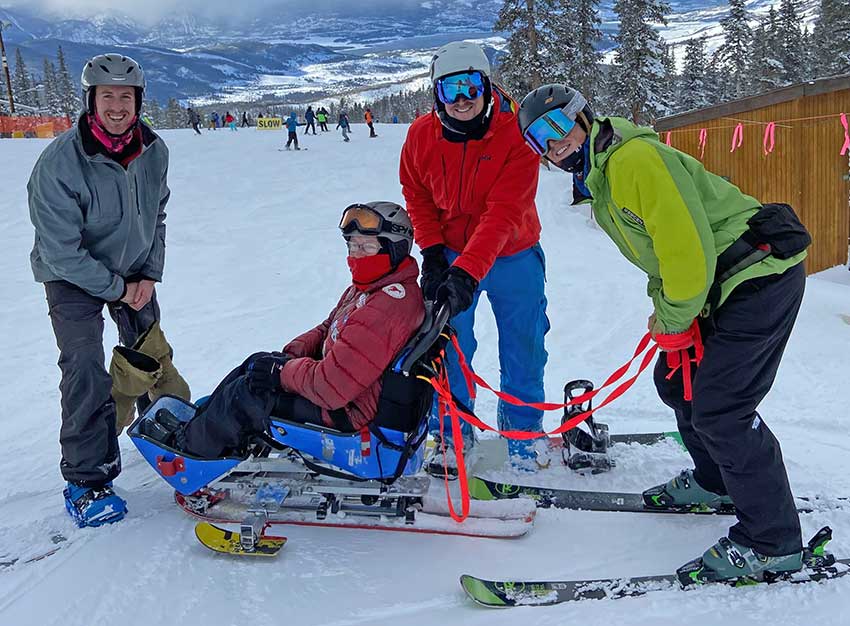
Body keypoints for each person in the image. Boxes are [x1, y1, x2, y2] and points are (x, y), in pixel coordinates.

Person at [517, 83, 812, 582]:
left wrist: (677, 316)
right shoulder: (605, 177)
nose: (551, 144)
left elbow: (686, 251)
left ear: (581, 117)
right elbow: (658, 257)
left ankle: (773, 541)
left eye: (554, 127)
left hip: (760, 275)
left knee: (722, 408)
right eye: (536, 141)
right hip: (721, 282)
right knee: (677, 382)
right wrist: (668, 311)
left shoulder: (633, 162)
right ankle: (716, 481)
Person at [28, 53, 191, 528]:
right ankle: (86, 477)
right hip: (71, 277)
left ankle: (169, 430)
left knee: (150, 353)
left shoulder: (154, 150)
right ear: (90, 101)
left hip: (132, 268)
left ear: (137, 101)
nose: (117, 106)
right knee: (84, 369)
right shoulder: (60, 163)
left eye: (126, 96)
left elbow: (155, 217)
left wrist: (149, 274)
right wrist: (118, 288)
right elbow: (61, 252)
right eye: (107, 96)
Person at [144, 203, 424, 459]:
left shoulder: (385, 308)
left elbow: (332, 388)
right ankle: (203, 425)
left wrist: (281, 374)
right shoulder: (373, 287)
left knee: (249, 393)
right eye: (352, 246)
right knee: (257, 364)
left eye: (367, 247)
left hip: (348, 413)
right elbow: (330, 327)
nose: (355, 256)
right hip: (347, 391)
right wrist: (286, 358)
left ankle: (191, 450)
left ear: (393, 248)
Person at [399, 41, 547, 476]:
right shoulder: (421, 136)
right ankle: (451, 431)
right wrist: (431, 253)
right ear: (436, 94)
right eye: (450, 90)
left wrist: (467, 271)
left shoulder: (517, 135)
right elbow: (417, 194)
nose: (462, 100)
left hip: (513, 252)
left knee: (524, 343)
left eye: (470, 87)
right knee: (446, 344)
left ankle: (521, 430)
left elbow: (503, 214)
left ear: (486, 86)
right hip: (449, 252)